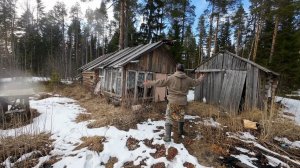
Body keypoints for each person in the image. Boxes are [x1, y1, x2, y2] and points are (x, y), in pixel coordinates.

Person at [144, 64, 205, 142]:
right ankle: (180, 131)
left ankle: (168, 137)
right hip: (182, 102)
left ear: (176, 69)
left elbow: (160, 82)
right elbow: (196, 82)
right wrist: (201, 77)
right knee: (181, 116)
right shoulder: (188, 79)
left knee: (169, 117)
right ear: (183, 70)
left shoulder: (171, 78)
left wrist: (149, 83)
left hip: (172, 102)